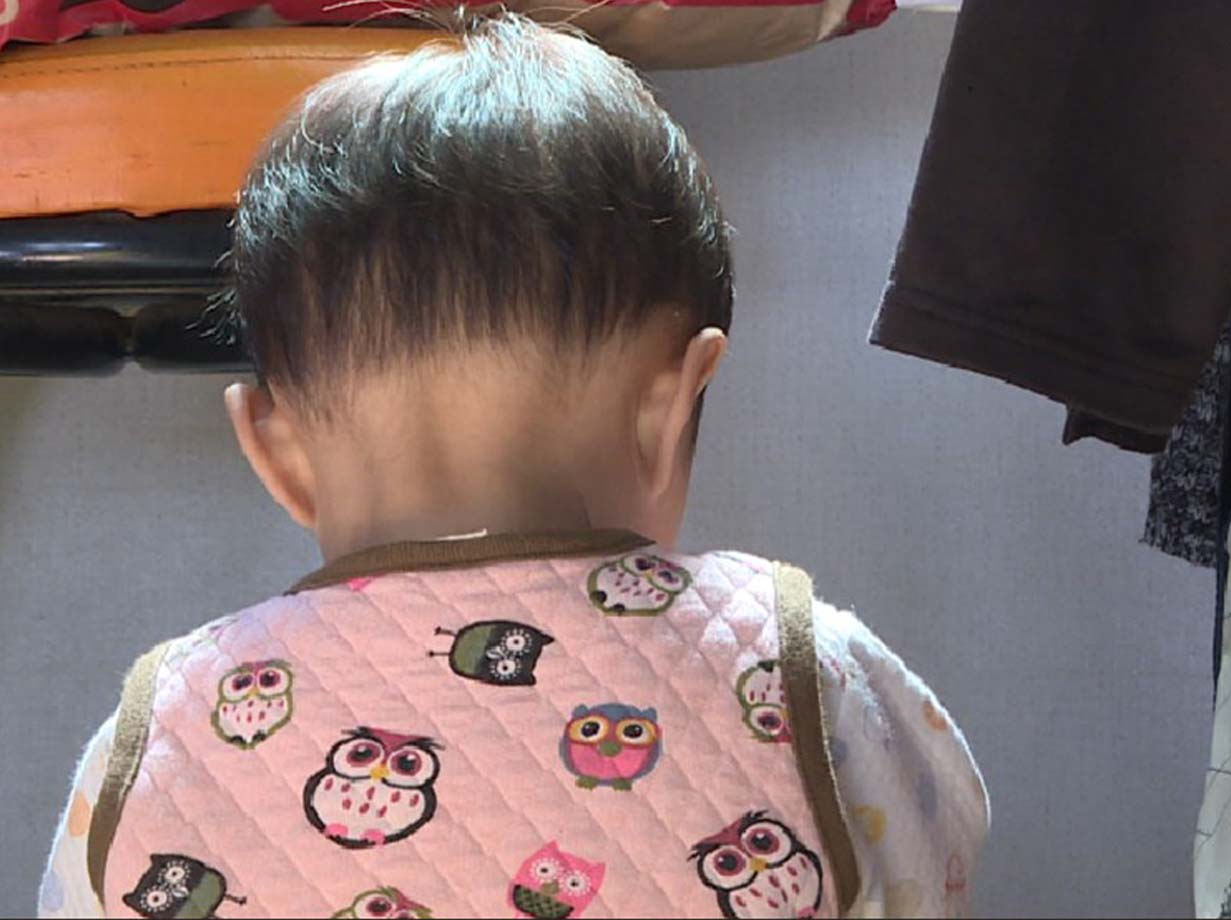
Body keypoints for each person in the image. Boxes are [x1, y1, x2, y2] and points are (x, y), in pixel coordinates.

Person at [40, 14, 987, 918]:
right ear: (669, 410)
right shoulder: (803, 674)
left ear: (278, 456)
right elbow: (925, 874)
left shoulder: (165, 726)